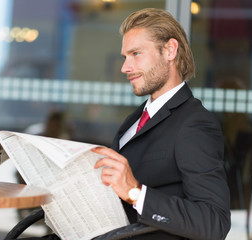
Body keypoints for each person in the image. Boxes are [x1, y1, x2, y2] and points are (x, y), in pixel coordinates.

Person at [91, 8, 231, 240]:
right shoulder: (133, 120)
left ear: (170, 50)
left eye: (136, 54)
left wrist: (135, 193)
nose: (125, 67)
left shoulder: (195, 123)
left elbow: (214, 222)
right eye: (125, 57)